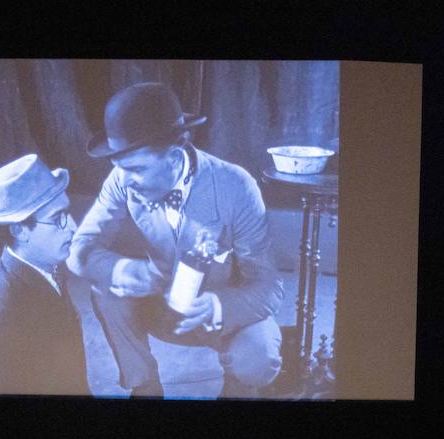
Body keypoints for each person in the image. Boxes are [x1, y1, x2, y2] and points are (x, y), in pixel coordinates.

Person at [69, 82, 283, 399]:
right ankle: (145, 386)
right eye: (118, 168)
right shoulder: (122, 178)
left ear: (174, 156)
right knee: (105, 290)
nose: (124, 181)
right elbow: (79, 249)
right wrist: (124, 271)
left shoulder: (236, 185)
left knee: (258, 360)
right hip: (160, 306)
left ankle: (238, 386)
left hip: (220, 315)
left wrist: (217, 305)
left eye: (137, 169)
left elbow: (269, 286)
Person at [0, 154, 85, 396]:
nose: (73, 226)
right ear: (20, 231)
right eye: (58, 219)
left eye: (68, 213)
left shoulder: (48, 267)